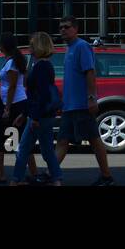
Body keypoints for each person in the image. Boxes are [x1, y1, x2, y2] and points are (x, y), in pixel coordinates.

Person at [52, 16, 114, 185]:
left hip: (81, 105)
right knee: (62, 141)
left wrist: (91, 98)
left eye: (67, 27)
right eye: (61, 27)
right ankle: (52, 173)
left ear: (76, 29)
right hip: (69, 106)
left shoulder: (82, 47)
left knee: (94, 140)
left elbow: (90, 72)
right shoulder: (69, 49)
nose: (63, 30)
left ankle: (106, 176)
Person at [10, 30, 63, 186]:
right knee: (46, 151)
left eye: (32, 45)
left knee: (23, 150)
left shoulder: (41, 67)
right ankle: (57, 179)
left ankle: (15, 180)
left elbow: (40, 95)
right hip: (43, 115)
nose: (29, 48)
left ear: (39, 47)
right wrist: (25, 114)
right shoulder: (44, 65)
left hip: (39, 116)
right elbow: (35, 95)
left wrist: (34, 117)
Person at [0, 34, 37, 184]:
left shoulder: (12, 62)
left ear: (5, 46)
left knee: (11, 139)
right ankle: (28, 173)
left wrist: (7, 108)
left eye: (0, 43)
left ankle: (30, 174)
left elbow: (13, 85)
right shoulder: (11, 61)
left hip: (13, 105)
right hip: (9, 102)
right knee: (9, 138)